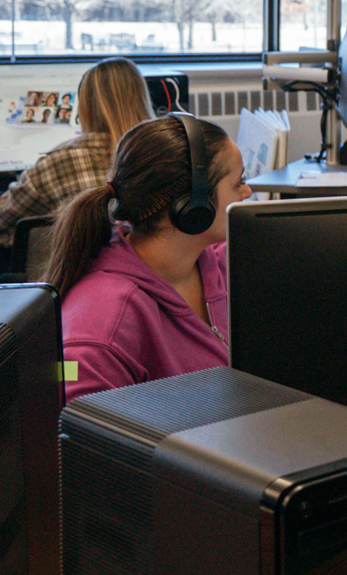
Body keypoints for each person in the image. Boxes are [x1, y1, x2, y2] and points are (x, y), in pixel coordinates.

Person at [44, 114, 252, 401]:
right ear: (193, 206)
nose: (248, 192)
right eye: (238, 182)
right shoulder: (103, 327)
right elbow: (77, 438)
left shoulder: (217, 262)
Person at [0, 58, 153, 245]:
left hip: (80, 273)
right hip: (147, 272)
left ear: (85, 108)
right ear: (142, 99)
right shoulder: (162, 157)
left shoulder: (59, 161)